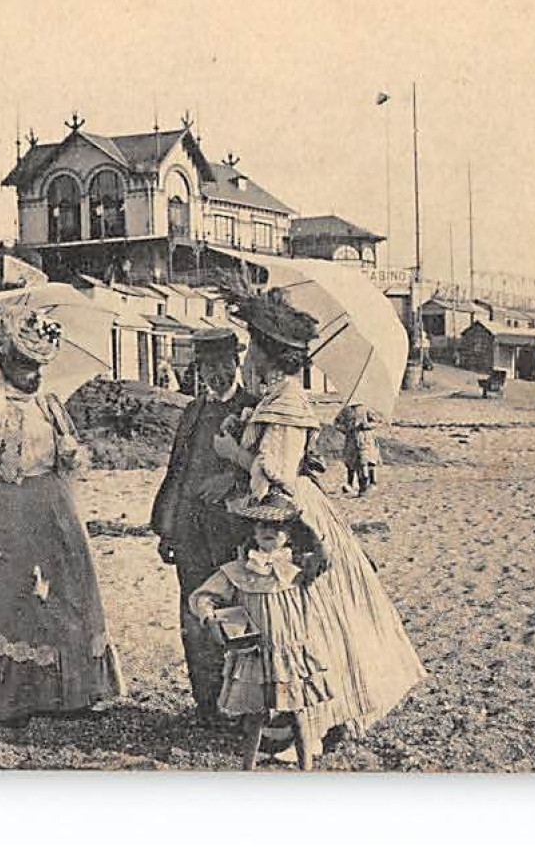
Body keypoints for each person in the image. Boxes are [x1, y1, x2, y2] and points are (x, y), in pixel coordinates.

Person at [211, 289, 425, 757]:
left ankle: (311, 721)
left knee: (299, 621)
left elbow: (273, 476)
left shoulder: (286, 404)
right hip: (292, 506)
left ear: (269, 356)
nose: (247, 358)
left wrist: (231, 451)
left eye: (252, 349)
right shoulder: (279, 398)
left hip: (290, 513)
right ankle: (301, 719)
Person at [0, 307, 122, 724]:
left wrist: (72, 455)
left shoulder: (51, 406)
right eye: (23, 365)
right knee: (8, 596)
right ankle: (8, 699)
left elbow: (71, 454)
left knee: (67, 593)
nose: (32, 375)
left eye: (38, 366)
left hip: (54, 506)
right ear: (4, 361)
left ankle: (70, 695)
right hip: (8, 510)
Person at [149, 329, 257, 724]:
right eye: (208, 367)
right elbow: (176, 472)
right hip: (191, 531)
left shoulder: (254, 409)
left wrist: (231, 479)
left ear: (237, 363)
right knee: (195, 615)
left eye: (223, 365)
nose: (216, 374)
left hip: (235, 532)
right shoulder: (192, 412)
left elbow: (267, 471)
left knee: (238, 612)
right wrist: (167, 528)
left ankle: (242, 702)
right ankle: (207, 704)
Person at [186, 495, 334, 771]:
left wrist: (307, 525)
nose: (268, 532)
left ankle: (306, 768)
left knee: (298, 713)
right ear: (253, 531)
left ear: (288, 535)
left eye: (277, 527)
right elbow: (203, 596)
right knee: (255, 715)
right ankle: (248, 767)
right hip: (255, 652)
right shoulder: (237, 571)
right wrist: (210, 618)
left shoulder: (298, 569)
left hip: (289, 652)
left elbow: (326, 561)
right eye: (261, 525)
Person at [332, 403, 382, 496]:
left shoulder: (366, 409)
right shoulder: (346, 410)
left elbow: (378, 422)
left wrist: (366, 425)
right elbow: (336, 423)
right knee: (351, 462)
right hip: (351, 441)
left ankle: (367, 485)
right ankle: (350, 484)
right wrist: (346, 429)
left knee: (366, 462)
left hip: (365, 440)